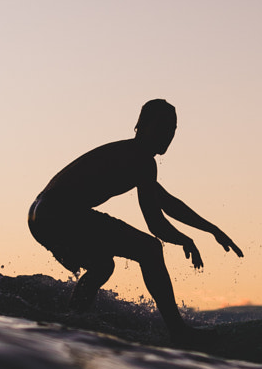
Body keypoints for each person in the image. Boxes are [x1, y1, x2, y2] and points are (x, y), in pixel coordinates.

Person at [28, 99, 242, 343]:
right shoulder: (140, 159)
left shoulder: (133, 157)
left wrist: (211, 229)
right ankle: (178, 331)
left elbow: (167, 202)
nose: (168, 134)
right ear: (141, 125)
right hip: (58, 212)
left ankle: (70, 323)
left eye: (172, 128)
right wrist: (184, 239)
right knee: (149, 249)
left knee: (102, 266)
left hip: (40, 215)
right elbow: (155, 224)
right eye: (161, 127)